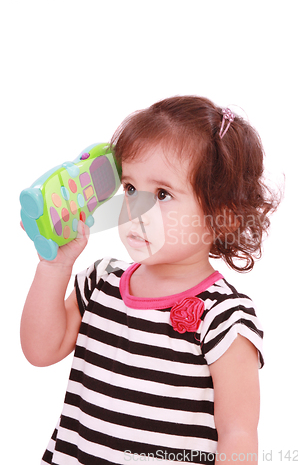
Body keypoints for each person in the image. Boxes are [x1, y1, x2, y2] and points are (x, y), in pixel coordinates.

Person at [20, 96, 279, 465]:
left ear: (222, 214)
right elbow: (39, 350)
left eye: (162, 194)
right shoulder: (100, 283)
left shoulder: (223, 316)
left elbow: (238, 432)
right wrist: (54, 268)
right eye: (129, 189)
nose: (137, 210)